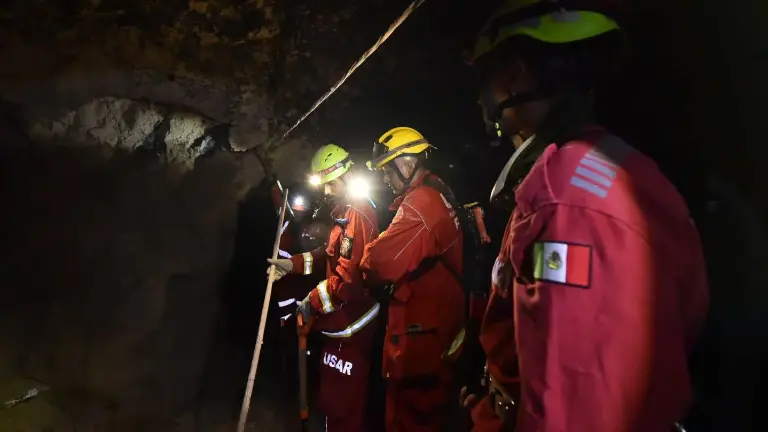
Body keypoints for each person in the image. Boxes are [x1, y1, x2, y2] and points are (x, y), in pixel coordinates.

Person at [460, 1, 709, 431]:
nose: (483, 97)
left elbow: (575, 407)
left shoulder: (565, 200)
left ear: (515, 71)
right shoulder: (626, 170)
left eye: (487, 77)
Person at [267, 144, 380, 431]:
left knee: (344, 408)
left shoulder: (360, 214)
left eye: (331, 184)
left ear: (347, 177)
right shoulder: (344, 213)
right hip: (338, 327)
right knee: (331, 402)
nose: (327, 192)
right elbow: (326, 256)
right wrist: (291, 264)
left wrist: (311, 300)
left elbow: (349, 280)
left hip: (353, 327)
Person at [360, 126, 466, 432]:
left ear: (407, 164)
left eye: (387, 170)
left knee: (410, 421)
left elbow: (378, 264)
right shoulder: (439, 190)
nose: (384, 179)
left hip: (422, 345)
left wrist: (372, 248)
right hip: (436, 332)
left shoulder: (422, 203)